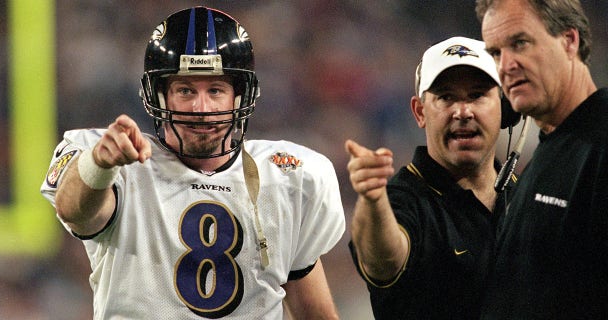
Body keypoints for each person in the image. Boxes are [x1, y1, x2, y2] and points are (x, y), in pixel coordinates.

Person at [40, 6, 345, 319]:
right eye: (185, 90)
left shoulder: (287, 176)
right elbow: (74, 210)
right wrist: (100, 165)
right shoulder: (123, 164)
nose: (201, 108)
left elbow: (313, 311)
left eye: (215, 90)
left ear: (239, 97)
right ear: (160, 96)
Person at [346, 36, 515, 319]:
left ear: (504, 108)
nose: (463, 112)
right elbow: (383, 261)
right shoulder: (402, 199)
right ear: (420, 112)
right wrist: (373, 200)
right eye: (446, 97)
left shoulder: (525, 193)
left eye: (476, 95)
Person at [476, 0, 608, 318]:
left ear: (569, 41)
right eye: (495, 53)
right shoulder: (550, 150)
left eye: (520, 43)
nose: (505, 65)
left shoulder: (600, 143)